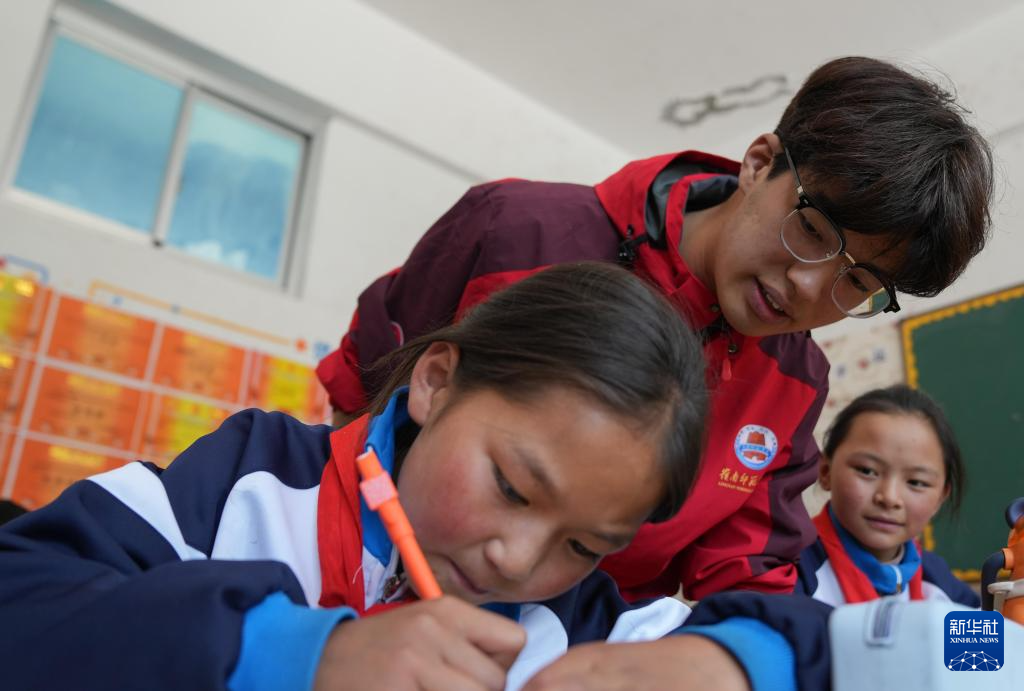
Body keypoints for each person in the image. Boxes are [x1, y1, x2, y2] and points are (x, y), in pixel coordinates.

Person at [315, 56, 995, 601]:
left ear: (945, 494)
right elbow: (361, 399)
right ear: (759, 163)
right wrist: (344, 589)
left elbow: (746, 578)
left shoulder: (942, 591)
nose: (809, 287)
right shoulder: (518, 229)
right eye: (812, 230)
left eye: (859, 283)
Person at [0, 264, 832, 691]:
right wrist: (299, 656)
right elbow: (23, 599)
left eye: (584, 543)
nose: (518, 560)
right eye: (513, 487)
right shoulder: (254, 481)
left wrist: (738, 662)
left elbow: (906, 650)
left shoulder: (581, 632)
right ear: (435, 382)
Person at [795, 384, 979, 607]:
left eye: (916, 482)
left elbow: (984, 631)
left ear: (940, 497)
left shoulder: (936, 578)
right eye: (867, 471)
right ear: (825, 471)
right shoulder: (792, 570)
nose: (889, 498)